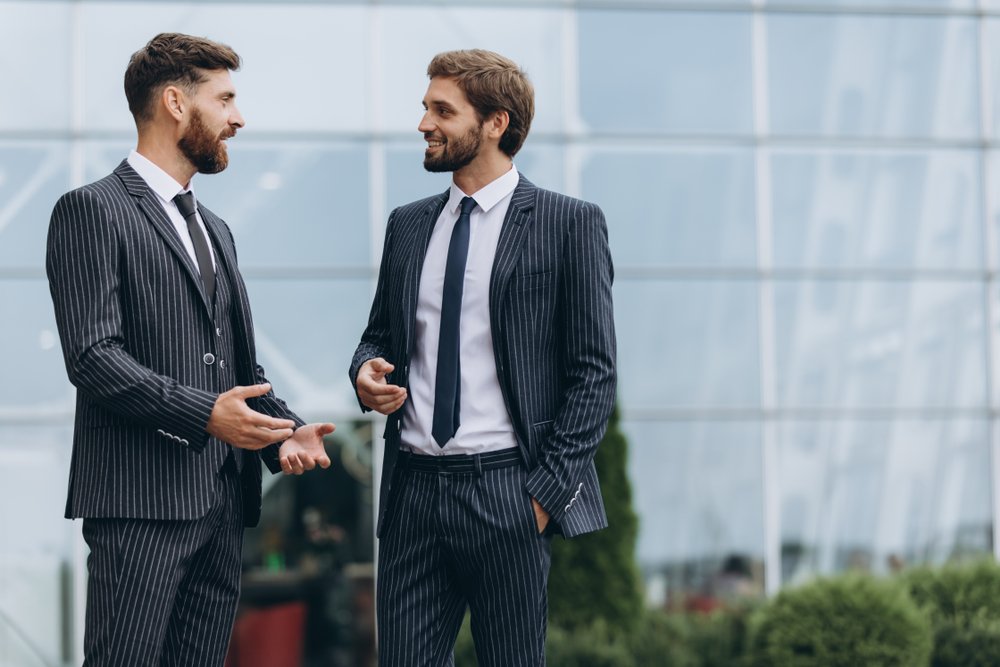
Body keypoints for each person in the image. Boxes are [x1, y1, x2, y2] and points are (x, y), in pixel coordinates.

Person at [45, 32, 334, 666]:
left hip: (220, 508)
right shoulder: (90, 210)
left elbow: (237, 366)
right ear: (176, 102)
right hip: (139, 505)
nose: (238, 118)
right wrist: (205, 414)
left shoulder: (217, 230)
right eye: (225, 99)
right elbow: (92, 356)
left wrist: (281, 430)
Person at [350, 49, 616, 666]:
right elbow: (379, 338)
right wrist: (366, 372)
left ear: (496, 123)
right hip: (412, 494)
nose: (424, 123)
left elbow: (594, 374)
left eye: (443, 110)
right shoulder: (408, 226)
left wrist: (542, 499)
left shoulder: (567, 224)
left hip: (507, 493)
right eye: (425, 108)